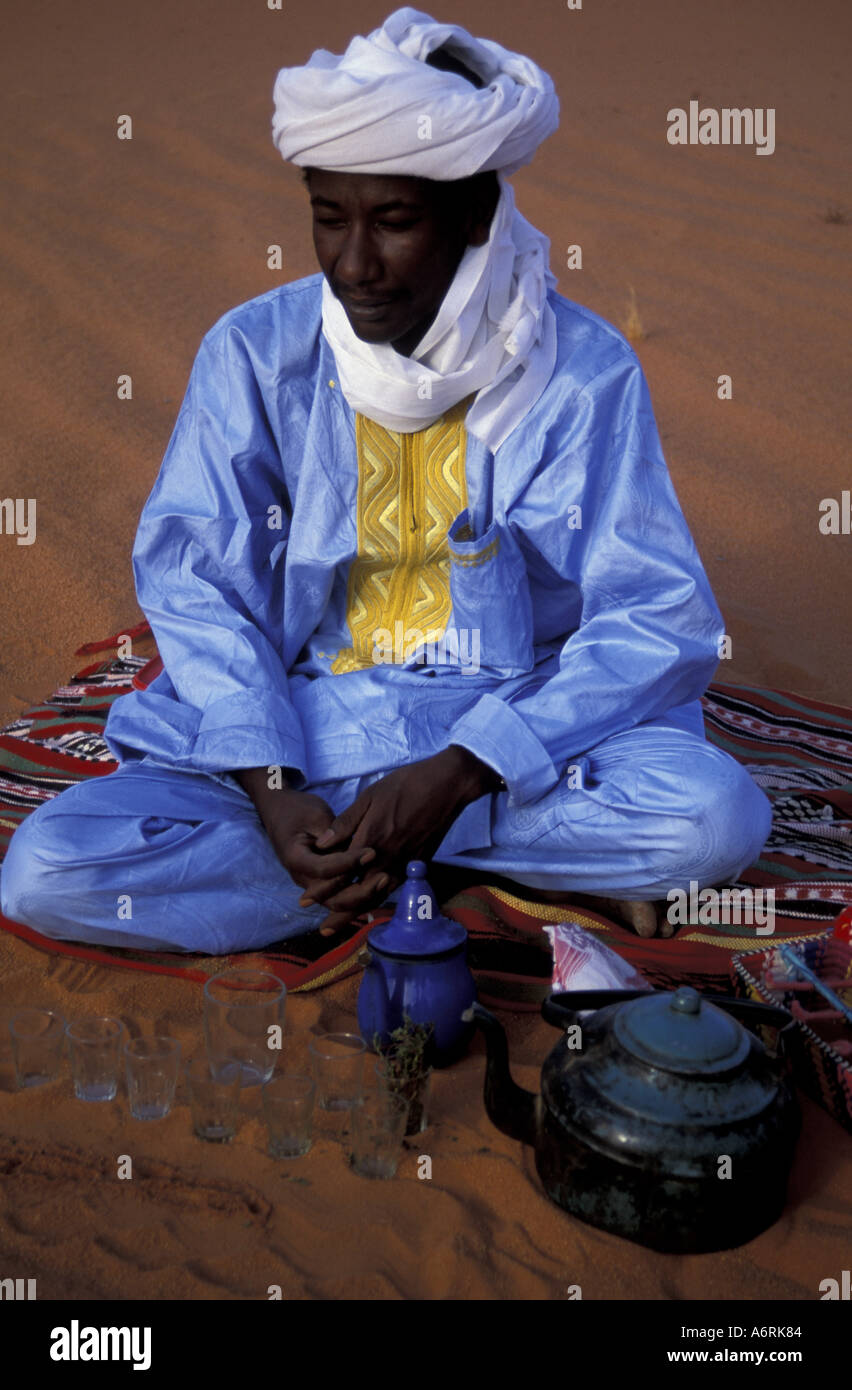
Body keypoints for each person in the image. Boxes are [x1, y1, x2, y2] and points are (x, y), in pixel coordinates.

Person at [0, 8, 771, 954]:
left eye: (395, 222)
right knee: (48, 871)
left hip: (513, 736)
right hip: (312, 730)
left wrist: (461, 772)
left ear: (476, 215)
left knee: (713, 821)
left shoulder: (581, 370)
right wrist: (279, 800)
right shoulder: (255, 352)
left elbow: (654, 616)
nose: (355, 266)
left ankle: (374, 868)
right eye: (330, 218)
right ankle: (424, 870)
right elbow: (198, 592)